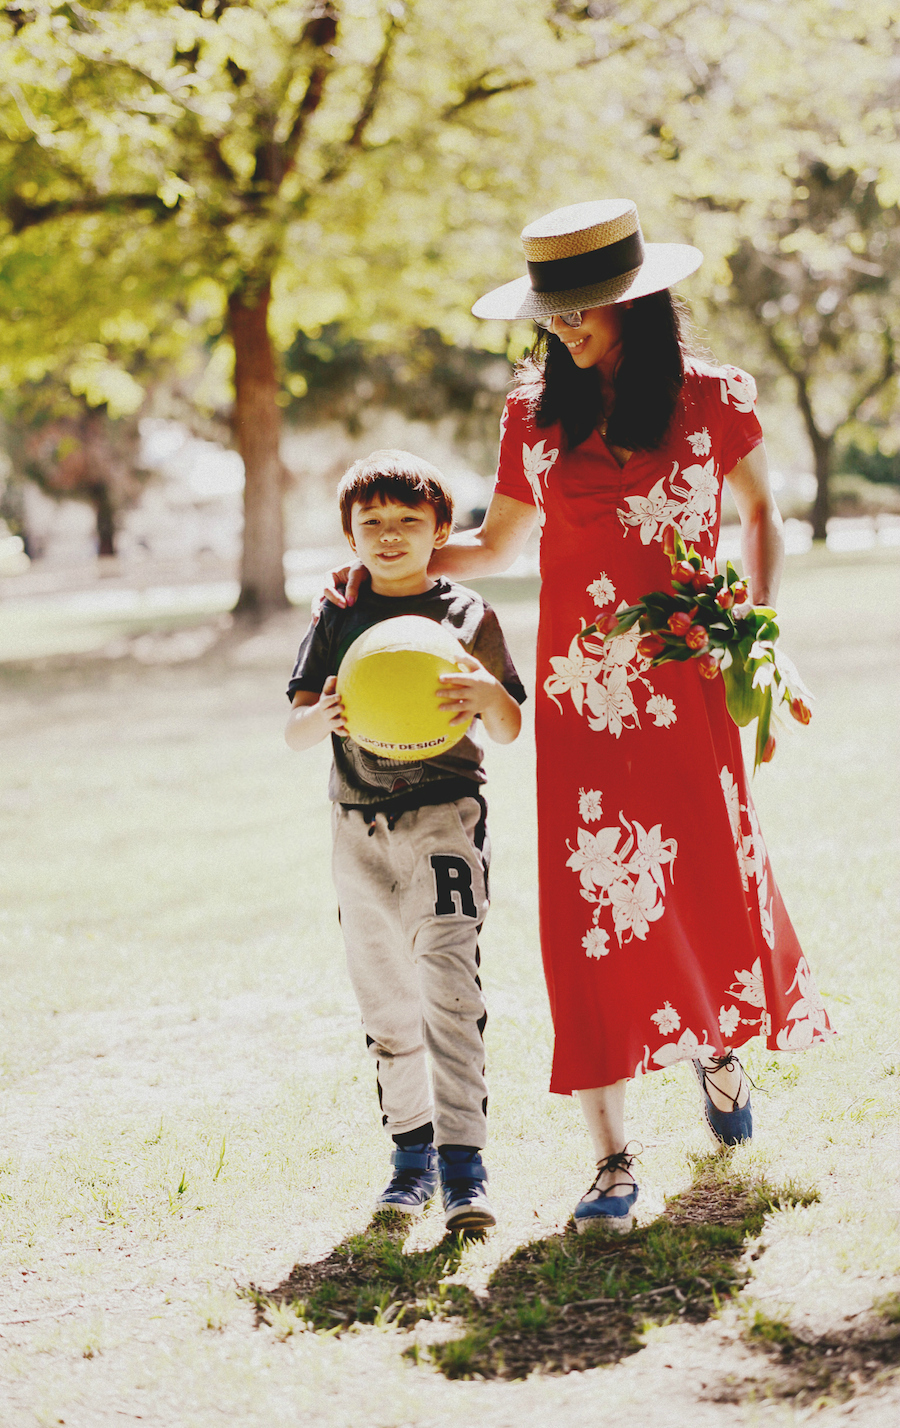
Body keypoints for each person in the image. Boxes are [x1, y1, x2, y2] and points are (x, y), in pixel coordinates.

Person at [330, 200, 834, 1234]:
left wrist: (756, 624)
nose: (563, 325)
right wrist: (393, 558)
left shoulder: (713, 397)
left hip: (687, 679)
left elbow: (761, 513)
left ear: (638, 299)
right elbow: (498, 546)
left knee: (701, 875)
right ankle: (611, 1160)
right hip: (577, 701)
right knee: (590, 913)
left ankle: (715, 1044)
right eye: (551, 309)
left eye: (584, 307)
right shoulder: (532, 413)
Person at [285, 449, 525, 1232]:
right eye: (372, 523)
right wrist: (322, 715)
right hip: (357, 823)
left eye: (408, 522)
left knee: (450, 987)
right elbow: (293, 731)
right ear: (349, 535)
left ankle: (465, 1166)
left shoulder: (468, 615)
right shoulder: (335, 613)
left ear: (440, 530)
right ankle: (410, 1158)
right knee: (387, 998)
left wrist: (489, 692)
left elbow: (510, 726)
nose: (390, 536)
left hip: (445, 814)